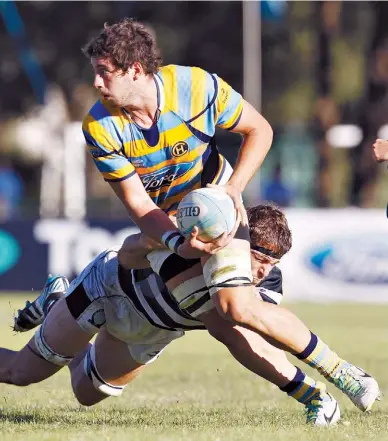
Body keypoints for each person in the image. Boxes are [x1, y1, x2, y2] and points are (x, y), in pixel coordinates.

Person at [80, 18, 376, 396]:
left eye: (104, 73)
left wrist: (232, 190)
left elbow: (260, 129)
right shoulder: (99, 126)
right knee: (214, 326)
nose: (96, 84)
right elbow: (138, 203)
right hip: (165, 227)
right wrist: (175, 243)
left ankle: (343, 374)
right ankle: (311, 396)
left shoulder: (195, 87)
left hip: (215, 206)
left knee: (235, 307)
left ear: (135, 70)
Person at [0, 205, 380, 427]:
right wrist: (170, 243)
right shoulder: (194, 245)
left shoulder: (265, 286)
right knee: (23, 372)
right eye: (259, 258)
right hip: (109, 295)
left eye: (272, 264)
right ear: (237, 243)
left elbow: (257, 336)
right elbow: (125, 254)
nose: (263, 271)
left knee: (86, 392)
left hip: (154, 330)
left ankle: (56, 304)